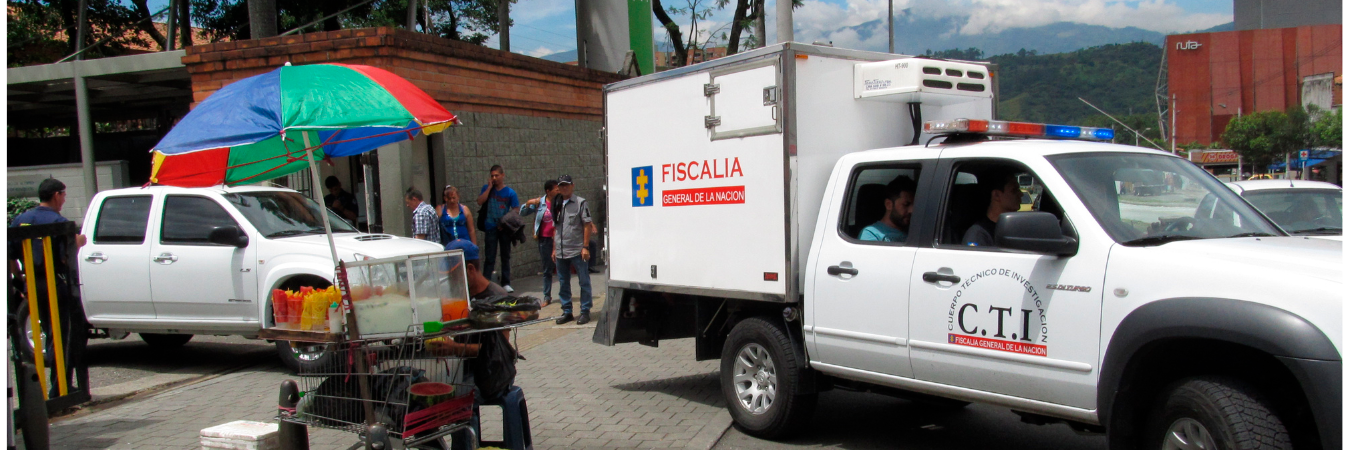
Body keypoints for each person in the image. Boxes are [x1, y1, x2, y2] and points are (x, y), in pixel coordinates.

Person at [8, 178, 86, 396]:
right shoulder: (57, 221)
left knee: (48, 331)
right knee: (61, 335)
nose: (64, 200)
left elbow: (10, 256)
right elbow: (64, 257)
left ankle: (48, 391)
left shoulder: (21, 220)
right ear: (56, 196)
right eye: (64, 195)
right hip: (56, 282)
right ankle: (60, 389)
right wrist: (78, 241)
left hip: (33, 284)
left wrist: (21, 279)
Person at [551, 175, 595, 325]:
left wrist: (585, 247)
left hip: (577, 249)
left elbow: (587, 225)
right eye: (561, 185)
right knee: (563, 282)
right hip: (561, 251)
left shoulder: (580, 203)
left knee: (583, 281)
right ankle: (567, 311)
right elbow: (555, 228)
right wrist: (554, 249)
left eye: (567, 185)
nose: (564, 188)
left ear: (572, 186)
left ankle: (585, 311)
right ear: (558, 187)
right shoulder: (556, 202)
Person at [476, 165, 520, 293]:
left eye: (497, 175)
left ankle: (506, 282)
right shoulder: (487, 189)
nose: (494, 178)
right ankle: (486, 282)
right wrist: (489, 188)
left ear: (502, 175)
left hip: (504, 228)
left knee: (505, 255)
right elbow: (480, 201)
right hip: (490, 227)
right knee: (490, 256)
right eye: (492, 176)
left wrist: (506, 221)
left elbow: (516, 209)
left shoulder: (510, 192)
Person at [520, 180, 559, 307]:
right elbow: (522, 213)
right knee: (547, 268)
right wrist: (528, 203)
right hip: (545, 239)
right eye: (556, 189)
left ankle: (565, 296)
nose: (558, 191)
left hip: (558, 238)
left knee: (562, 268)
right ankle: (547, 296)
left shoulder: (560, 202)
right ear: (548, 191)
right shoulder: (540, 203)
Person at [963, 169, 1021, 247]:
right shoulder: (978, 235)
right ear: (996, 195)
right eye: (1014, 190)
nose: (1021, 194)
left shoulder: (1015, 229)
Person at [444, 239, 508, 300]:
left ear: (470, 269)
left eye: (454, 275)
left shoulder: (498, 298)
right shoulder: (457, 295)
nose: (452, 280)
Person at [859, 176, 916, 243]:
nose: (911, 210)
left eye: (914, 205)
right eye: (906, 204)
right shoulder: (871, 234)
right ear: (889, 204)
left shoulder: (916, 231)